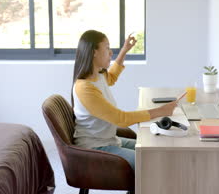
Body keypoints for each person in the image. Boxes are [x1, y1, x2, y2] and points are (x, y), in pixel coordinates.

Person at [71, 30, 177, 171]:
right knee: (152, 162)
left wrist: (124, 50)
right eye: (107, 48)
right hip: (94, 148)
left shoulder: (99, 75)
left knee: (154, 151)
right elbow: (121, 119)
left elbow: (112, 76)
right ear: (94, 52)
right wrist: (160, 111)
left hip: (110, 140)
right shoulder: (84, 88)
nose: (110, 53)